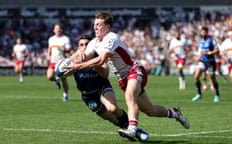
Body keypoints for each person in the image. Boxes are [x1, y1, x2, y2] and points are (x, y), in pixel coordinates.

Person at [65, 12, 189, 141]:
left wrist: (77, 67)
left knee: (129, 95)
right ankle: (175, 113)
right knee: (150, 110)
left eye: (99, 25)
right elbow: (84, 56)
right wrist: (67, 62)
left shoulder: (111, 38)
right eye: (94, 24)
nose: (95, 27)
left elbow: (100, 60)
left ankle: (132, 129)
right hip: (123, 79)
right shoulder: (94, 42)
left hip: (134, 71)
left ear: (107, 26)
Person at [69, 34, 129, 130]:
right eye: (81, 45)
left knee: (112, 108)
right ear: (78, 47)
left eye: (87, 44)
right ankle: (125, 127)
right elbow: (63, 72)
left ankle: (131, 126)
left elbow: (105, 74)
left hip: (102, 88)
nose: (84, 47)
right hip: (88, 96)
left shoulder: (99, 56)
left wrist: (93, 64)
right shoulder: (73, 59)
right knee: (112, 119)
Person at [191, 27, 220, 102]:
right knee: (196, 76)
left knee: (212, 77)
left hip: (210, 61)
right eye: (202, 32)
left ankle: (217, 95)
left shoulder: (212, 40)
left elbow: (217, 50)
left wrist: (209, 53)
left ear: (207, 33)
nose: (203, 33)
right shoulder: (201, 41)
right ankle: (199, 94)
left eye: (204, 32)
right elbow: (200, 51)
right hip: (203, 61)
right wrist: (198, 57)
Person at [47, 23, 71, 101]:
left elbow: (69, 49)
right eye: (56, 28)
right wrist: (48, 55)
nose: (58, 30)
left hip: (61, 62)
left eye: (59, 28)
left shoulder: (65, 39)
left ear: (61, 30)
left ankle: (65, 94)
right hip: (53, 61)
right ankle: (56, 80)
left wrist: (63, 49)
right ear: (54, 30)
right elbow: (49, 48)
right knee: (50, 77)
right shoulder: (51, 39)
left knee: (64, 79)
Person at [219, 30, 232, 100]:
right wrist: (222, 54)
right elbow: (221, 51)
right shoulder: (226, 42)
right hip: (230, 62)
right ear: (228, 35)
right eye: (231, 35)